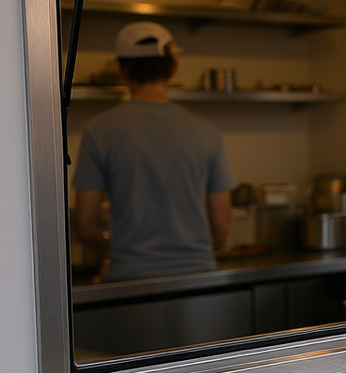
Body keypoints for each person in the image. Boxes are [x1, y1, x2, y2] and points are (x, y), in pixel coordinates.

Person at [73, 22, 234, 281]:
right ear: (173, 67)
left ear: (120, 70)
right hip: (199, 281)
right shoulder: (208, 131)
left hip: (131, 281)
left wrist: (119, 248)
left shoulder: (98, 131)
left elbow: (86, 226)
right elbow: (221, 226)